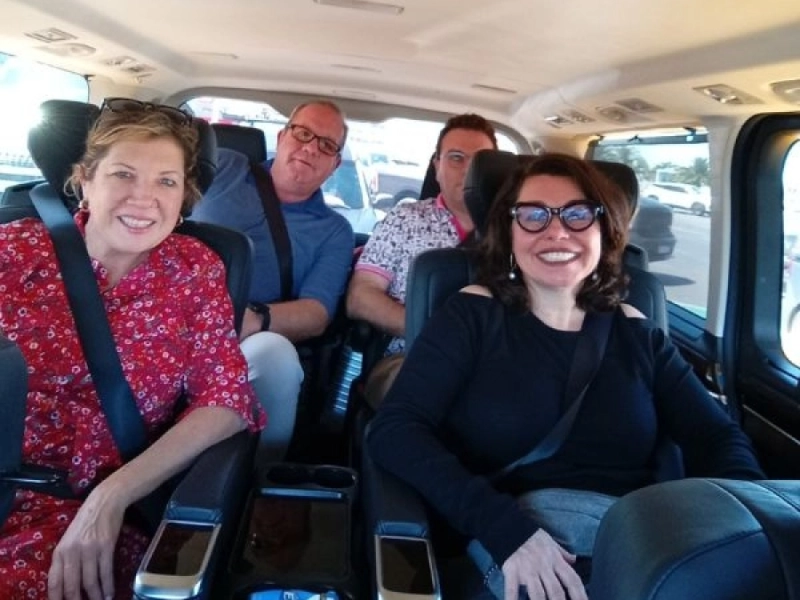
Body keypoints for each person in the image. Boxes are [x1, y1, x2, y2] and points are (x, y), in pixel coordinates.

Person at [367, 153, 764, 600]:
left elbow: (717, 438)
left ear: (604, 230)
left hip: (632, 545)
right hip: (511, 542)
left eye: (577, 214)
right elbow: (396, 429)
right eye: (533, 215)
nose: (556, 231)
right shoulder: (472, 314)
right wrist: (506, 531)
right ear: (510, 232)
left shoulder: (636, 331)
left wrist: (750, 527)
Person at [0, 100, 264, 600]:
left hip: (100, 512)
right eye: (123, 174)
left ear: (184, 197)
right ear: (84, 179)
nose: (143, 198)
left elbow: (226, 400)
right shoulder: (12, 251)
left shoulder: (195, 270)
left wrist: (112, 496)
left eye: (166, 181)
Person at [191, 100, 354, 461]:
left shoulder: (334, 231)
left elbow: (316, 313)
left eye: (327, 145)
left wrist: (253, 319)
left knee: (276, 356)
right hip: (167, 313)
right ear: (281, 137)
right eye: (303, 133)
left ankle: (260, 476)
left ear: (335, 164)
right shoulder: (223, 167)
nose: (311, 148)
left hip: (242, 340)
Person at [346, 113, 497, 404]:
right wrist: (435, 334)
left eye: (480, 160)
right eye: (456, 158)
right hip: (409, 357)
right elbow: (359, 297)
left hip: (490, 363)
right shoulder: (405, 219)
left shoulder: (518, 231)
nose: (469, 169)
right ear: (437, 166)